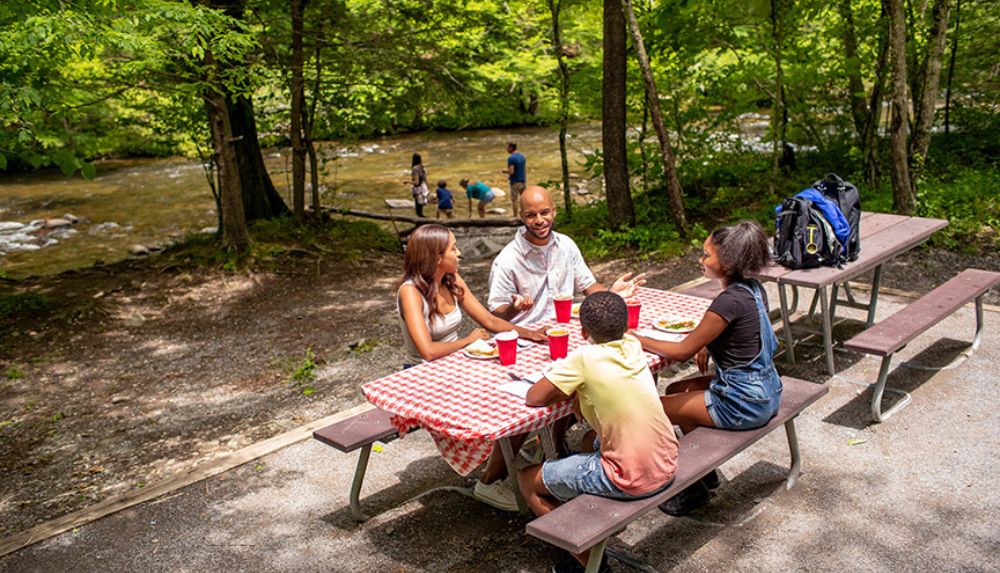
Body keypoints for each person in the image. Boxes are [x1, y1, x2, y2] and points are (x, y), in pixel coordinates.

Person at [518, 291, 678, 573]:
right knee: (589, 439)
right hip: (667, 461)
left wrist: (575, 388)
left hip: (631, 477)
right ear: (626, 325)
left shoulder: (583, 358)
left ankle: (591, 561)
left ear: (582, 330)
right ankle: (585, 520)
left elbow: (535, 396)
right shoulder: (632, 344)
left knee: (527, 479)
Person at [631, 220, 782, 516]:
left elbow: (682, 350)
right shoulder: (751, 289)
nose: (701, 260)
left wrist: (634, 337)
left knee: (653, 411)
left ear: (726, 263)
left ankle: (689, 489)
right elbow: (729, 331)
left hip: (744, 402)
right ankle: (703, 470)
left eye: (706, 255)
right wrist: (706, 343)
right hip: (766, 388)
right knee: (677, 389)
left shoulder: (728, 300)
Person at [395, 224, 546, 511]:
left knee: (525, 392)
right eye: (453, 248)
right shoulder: (410, 292)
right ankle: (490, 480)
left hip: (458, 367)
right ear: (435, 256)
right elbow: (427, 351)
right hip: (422, 377)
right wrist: (467, 341)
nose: (459, 253)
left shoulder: (451, 280)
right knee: (507, 405)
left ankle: (505, 465)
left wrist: (527, 333)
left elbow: (488, 322)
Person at [488, 185, 646, 327]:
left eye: (544, 213)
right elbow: (496, 315)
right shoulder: (506, 261)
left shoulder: (566, 245)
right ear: (522, 216)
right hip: (525, 338)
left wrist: (612, 294)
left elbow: (589, 287)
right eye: (531, 215)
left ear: (554, 211)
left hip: (564, 329)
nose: (539, 220)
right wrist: (515, 308)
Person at [504, 142, 527, 218]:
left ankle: (515, 216)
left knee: (514, 200)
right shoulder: (522, 156)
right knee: (524, 199)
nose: (506, 149)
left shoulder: (511, 158)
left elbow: (511, 171)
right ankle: (526, 214)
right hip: (523, 180)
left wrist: (505, 171)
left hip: (515, 182)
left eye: (507, 147)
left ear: (511, 148)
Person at [407, 153, 430, 218]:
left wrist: (407, 182)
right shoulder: (423, 167)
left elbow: (416, 182)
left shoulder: (415, 168)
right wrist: (428, 188)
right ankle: (422, 218)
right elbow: (425, 179)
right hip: (423, 188)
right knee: (421, 206)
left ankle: (421, 221)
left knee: (418, 209)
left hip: (417, 189)